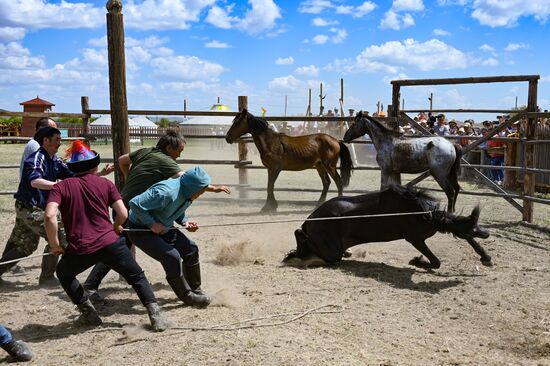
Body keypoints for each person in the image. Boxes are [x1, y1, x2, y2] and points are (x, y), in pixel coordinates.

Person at [44, 141, 167, 331]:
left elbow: (50, 215)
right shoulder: (105, 183)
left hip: (81, 248)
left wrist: (54, 244)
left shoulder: (61, 187)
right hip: (111, 243)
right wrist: (116, 226)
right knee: (137, 276)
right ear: (95, 166)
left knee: (64, 273)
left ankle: (89, 314)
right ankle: (155, 316)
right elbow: (123, 213)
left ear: (72, 168)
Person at [0, 127, 112, 286]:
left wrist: (98, 174)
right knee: (59, 239)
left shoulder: (54, 160)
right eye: (57, 140)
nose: (60, 144)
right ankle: (47, 277)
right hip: (30, 208)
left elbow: (75, 176)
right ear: (46, 140)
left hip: (33, 207)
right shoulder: (36, 158)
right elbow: (35, 181)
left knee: (24, 247)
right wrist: (58, 186)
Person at [127, 167, 230, 308]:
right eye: (201, 190)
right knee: (172, 257)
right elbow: (135, 204)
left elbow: (175, 208)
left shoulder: (187, 191)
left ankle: (195, 290)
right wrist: (151, 224)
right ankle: (188, 297)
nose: (201, 193)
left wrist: (184, 221)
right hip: (140, 229)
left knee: (191, 249)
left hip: (164, 226)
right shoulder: (165, 192)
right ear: (193, 187)